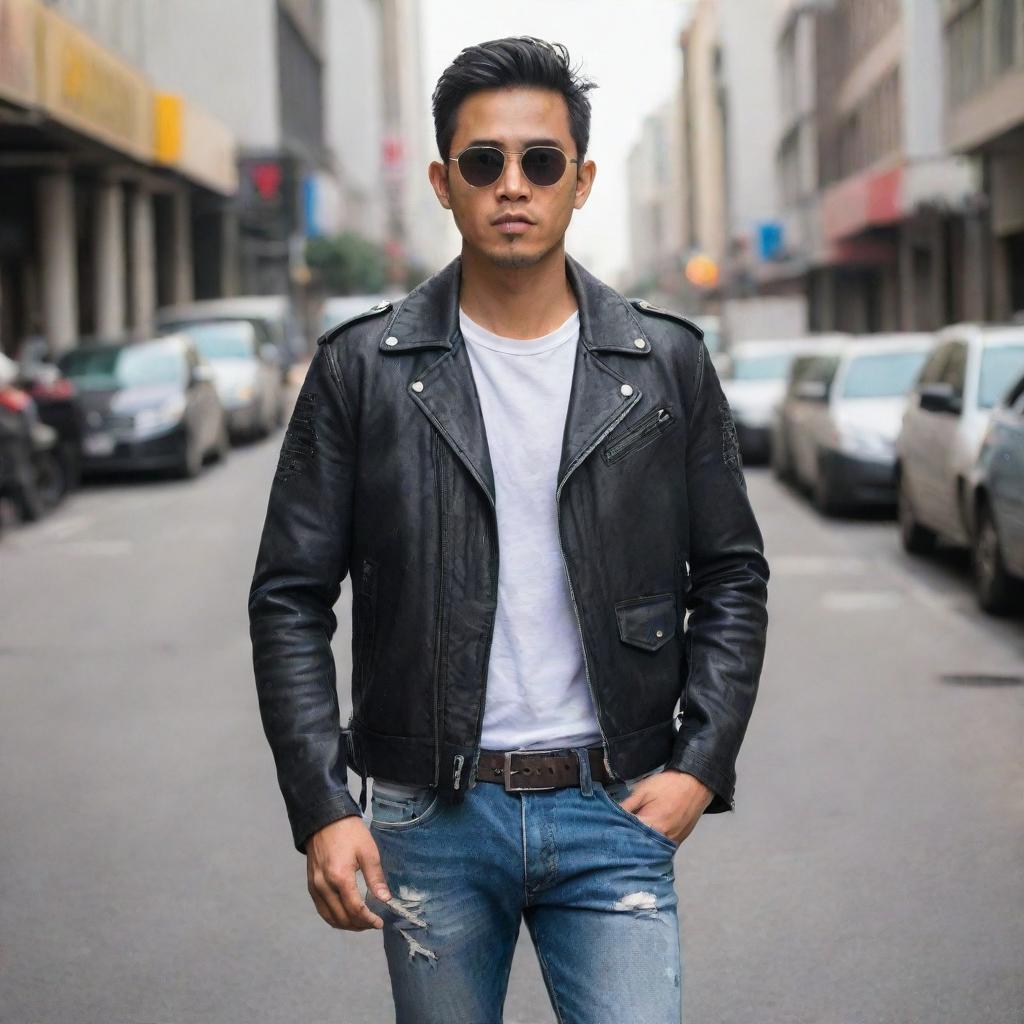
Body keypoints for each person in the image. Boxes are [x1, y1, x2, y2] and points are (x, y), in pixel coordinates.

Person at [248, 35, 769, 1023]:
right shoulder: (364, 368)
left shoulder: (662, 364)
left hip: (611, 806)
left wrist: (698, 766)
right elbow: (288, 597)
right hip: (426, 816)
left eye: (541, 161)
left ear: (581, 179)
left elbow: (733, 576)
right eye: (483, 162)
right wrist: (321, 802)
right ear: (444, 183)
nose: (513, 185)